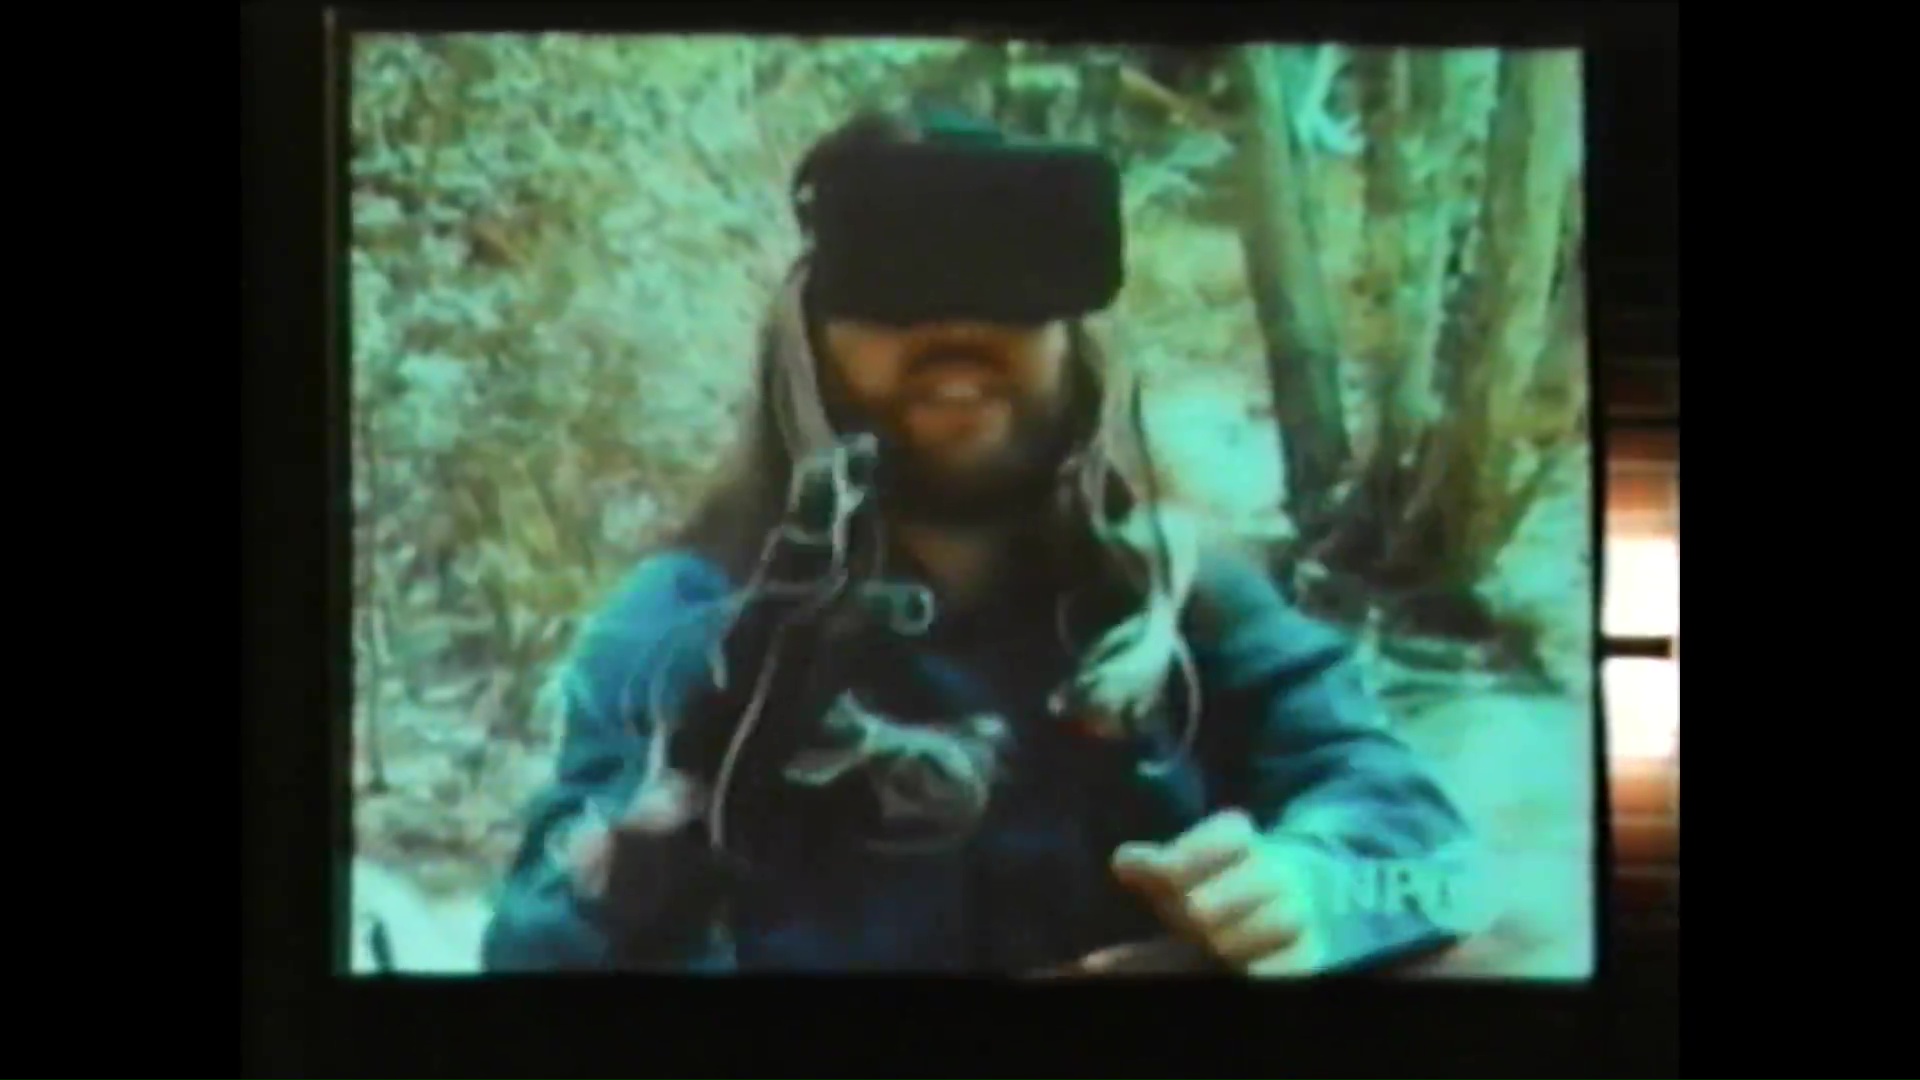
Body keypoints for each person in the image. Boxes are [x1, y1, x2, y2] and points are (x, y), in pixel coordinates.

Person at [479, 107, 1477, 975]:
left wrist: (1310, 889)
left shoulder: (1185, 603)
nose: (954, 339)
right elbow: (530, 946)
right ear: (809, 346)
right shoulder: (685, 626)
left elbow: (1431, 846)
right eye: (895, 294)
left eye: (1006, 293)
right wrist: (650, 849)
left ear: (1075, 342)